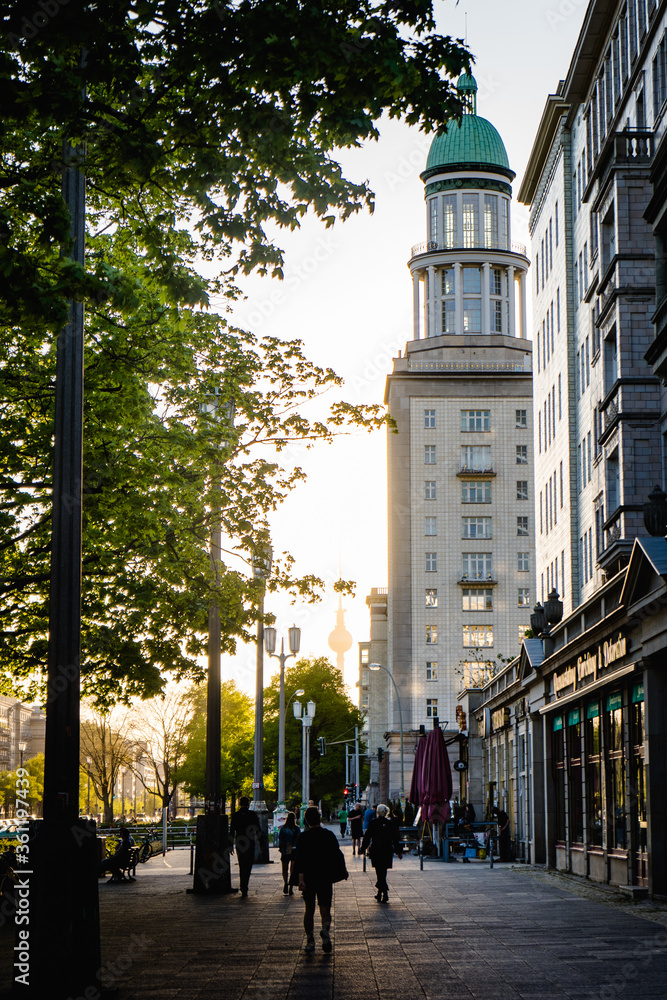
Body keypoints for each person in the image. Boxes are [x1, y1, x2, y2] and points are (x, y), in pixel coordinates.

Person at [296, 806, 348, 953]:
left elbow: (300, 860)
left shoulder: (303, 838)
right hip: (324, 878)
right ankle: (325, 932)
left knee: (309, 910)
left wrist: (300, 880)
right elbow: (337, 856)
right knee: (325, 909)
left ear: (306, 820)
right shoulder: (329, 835)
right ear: (319, 819)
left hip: (309, 878)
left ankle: (310, 940)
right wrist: (341, 872)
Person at [360, 803, 402, 904]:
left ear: (377, 812)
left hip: (376, 850)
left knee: (379, 871)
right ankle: (383, 893)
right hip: (387, 850)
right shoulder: (389, 824)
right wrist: (399, 851)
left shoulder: (373, 823)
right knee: (383, 872)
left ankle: (382, 893)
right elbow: (395, 839)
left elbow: (367, 836)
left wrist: (363, 848)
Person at [230, 796, 261, 897]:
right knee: (248, 865)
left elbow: (232, 832)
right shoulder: (252, 815)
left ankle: (242, 885)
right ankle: (244, 886)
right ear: (248, 804)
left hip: (239, 842)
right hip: (250, 842)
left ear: (239, 804)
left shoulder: (235, 815)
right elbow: (258, 829)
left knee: (241, 864)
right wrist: (261, 843)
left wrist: (230, 845)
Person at [278, 811, 300, 895]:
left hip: (285, 850)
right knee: (292, 869)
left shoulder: (283, 828)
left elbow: (280, 839)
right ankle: (291, 886)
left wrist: (282, 847)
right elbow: (299, 839)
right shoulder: (296, 828)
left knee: (285, 868)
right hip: (294, 851)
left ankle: (285, 882)